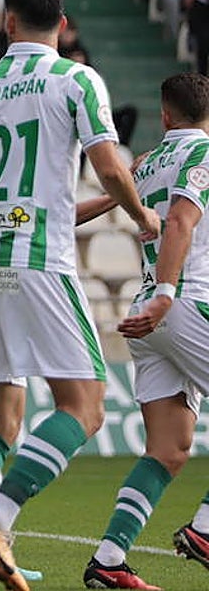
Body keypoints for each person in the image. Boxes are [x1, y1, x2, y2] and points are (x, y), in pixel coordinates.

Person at [0, 0, 159, 591]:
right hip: (40, 259)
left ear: (8, 23)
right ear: (62, 25)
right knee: (84, 409)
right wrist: (142, 216)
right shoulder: (77, 79)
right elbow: (110, 165)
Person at [78, 73, 209, 589]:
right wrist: (168, 294)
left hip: (149, 315)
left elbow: (127, 205)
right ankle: (204, 531)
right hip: (179, 302)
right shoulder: (203, 155)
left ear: (166, 115)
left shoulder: (146, 163)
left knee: (170, 449)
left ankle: (108, 560)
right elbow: (178, 221)